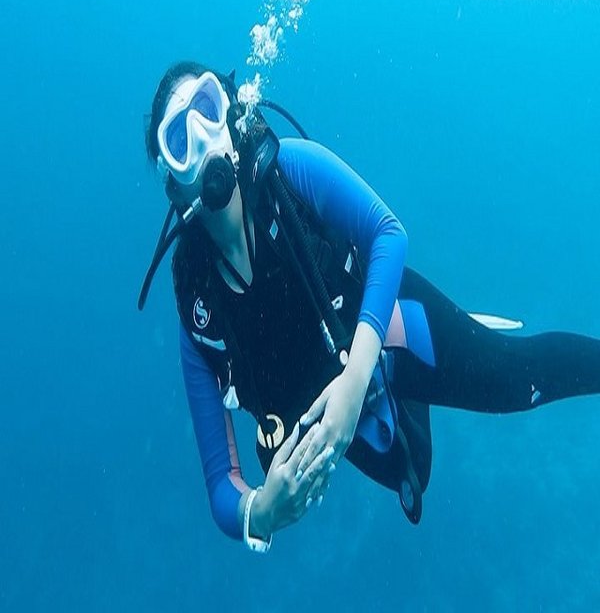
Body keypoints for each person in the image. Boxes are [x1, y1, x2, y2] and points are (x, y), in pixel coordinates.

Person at [140, 61, 600, 552]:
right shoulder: (198, 304)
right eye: (179, 138)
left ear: (231, 115)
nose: (203, 137)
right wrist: (263, 511)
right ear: (173, 180)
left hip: (385, 333)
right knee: (414, 470)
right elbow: (220, 484)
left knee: (515, 378)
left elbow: (388, 233)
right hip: (344, 416)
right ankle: (420, 382)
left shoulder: (288, 170)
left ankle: (456, 333)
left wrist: (356, 380)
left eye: (207, 109)